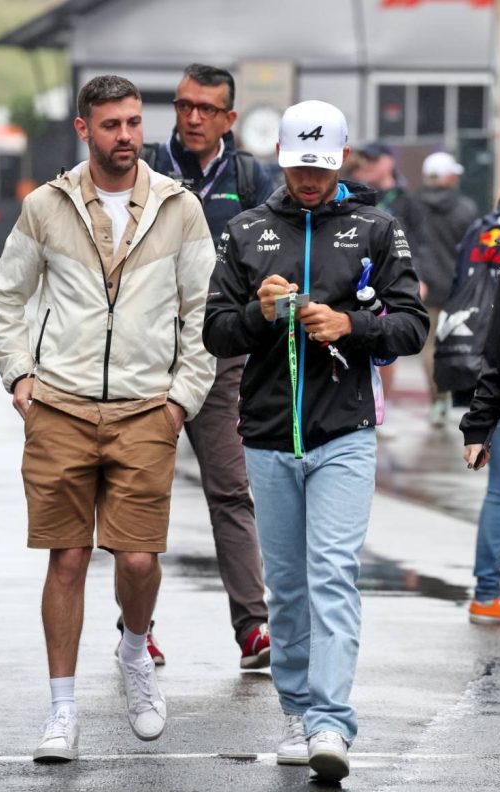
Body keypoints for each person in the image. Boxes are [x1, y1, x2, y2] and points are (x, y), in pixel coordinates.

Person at [0, 75, 216, 762]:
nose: (126, 136)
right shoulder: (47, 206)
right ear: (84, 129)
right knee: (67, 557)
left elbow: (202, 313)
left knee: (139, 558)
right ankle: (62, 711)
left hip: (147, 407)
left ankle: (135, 650)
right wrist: (21, 379)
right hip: (59, 405)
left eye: (134, 123)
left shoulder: (178, 208)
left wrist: (182, 399)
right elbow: (6, 298)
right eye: (111, 124)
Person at [203, 100, 428, 781]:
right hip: (268, 435)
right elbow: (215, 331)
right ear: (280, 156)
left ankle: (331, 722)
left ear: (340, 159)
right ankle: (297, 712)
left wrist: (349, 328)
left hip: (344, 434)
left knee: (331, 574)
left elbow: (412, 325)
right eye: (300, 166)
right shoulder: (244, 232)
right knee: (291, 588)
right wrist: (259, 312)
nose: (309, 179)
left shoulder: (374, 228)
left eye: (321, 167)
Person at [129, 63, 274, 670]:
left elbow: (277, 246)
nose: (192, 117)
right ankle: (136, 631)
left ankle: (253, 629)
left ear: (228, 119)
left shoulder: (250, 177)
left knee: (231, 492)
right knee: (140, 495)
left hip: (223, 355)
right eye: (185, 105)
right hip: (148, 356)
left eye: (207, 109)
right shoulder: (146, 167)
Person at [458, 164, 500, 625]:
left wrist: (479, 421)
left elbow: (496, 345)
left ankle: (486, 590)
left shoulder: (488, 230)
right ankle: (486, 591)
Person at [355, 142, 431, 410]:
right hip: (358, 276)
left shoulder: (406, 199)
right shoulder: (355, 194)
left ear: (389, 162)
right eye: (364, 161)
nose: (368, 167)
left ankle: (380, 405)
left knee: (385, 343)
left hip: (391, 276)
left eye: (374, 161)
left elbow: (419, 242)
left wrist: (418, 278)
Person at [414, 152, 478, 427]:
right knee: (458, 344)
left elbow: (408, 244)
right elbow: (472, 248)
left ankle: (437, 401)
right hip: (458, 286)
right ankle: (456, 397)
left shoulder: (413, 205)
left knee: (429, 347)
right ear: (449, 177)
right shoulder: (466, 208)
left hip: (424, 285)